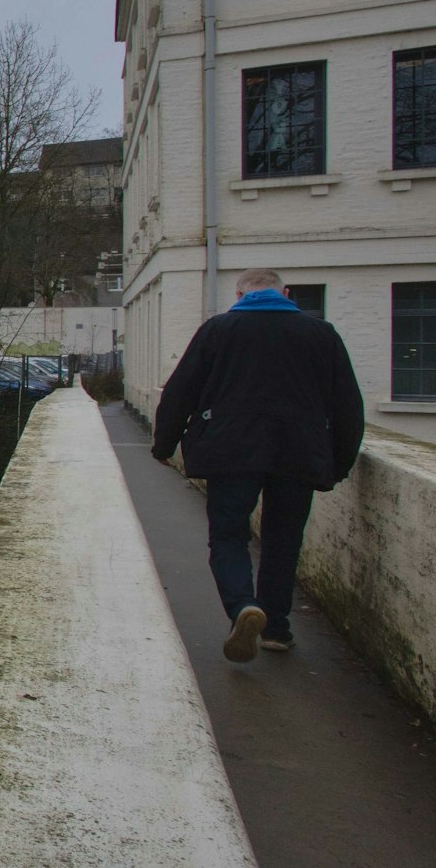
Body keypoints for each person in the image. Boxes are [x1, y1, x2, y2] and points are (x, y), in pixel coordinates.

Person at [151, 268, 364, 663]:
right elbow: (348, 406)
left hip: (230, 451)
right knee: (283, 539)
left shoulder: (219, 330)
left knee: (229, 535)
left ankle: (242, 608)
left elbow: (182, 390)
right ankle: (277, 630)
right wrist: (339, 463)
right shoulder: (322, 334)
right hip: (299, 452)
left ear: (239, 294)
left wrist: (164, 444)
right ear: (285, 292)